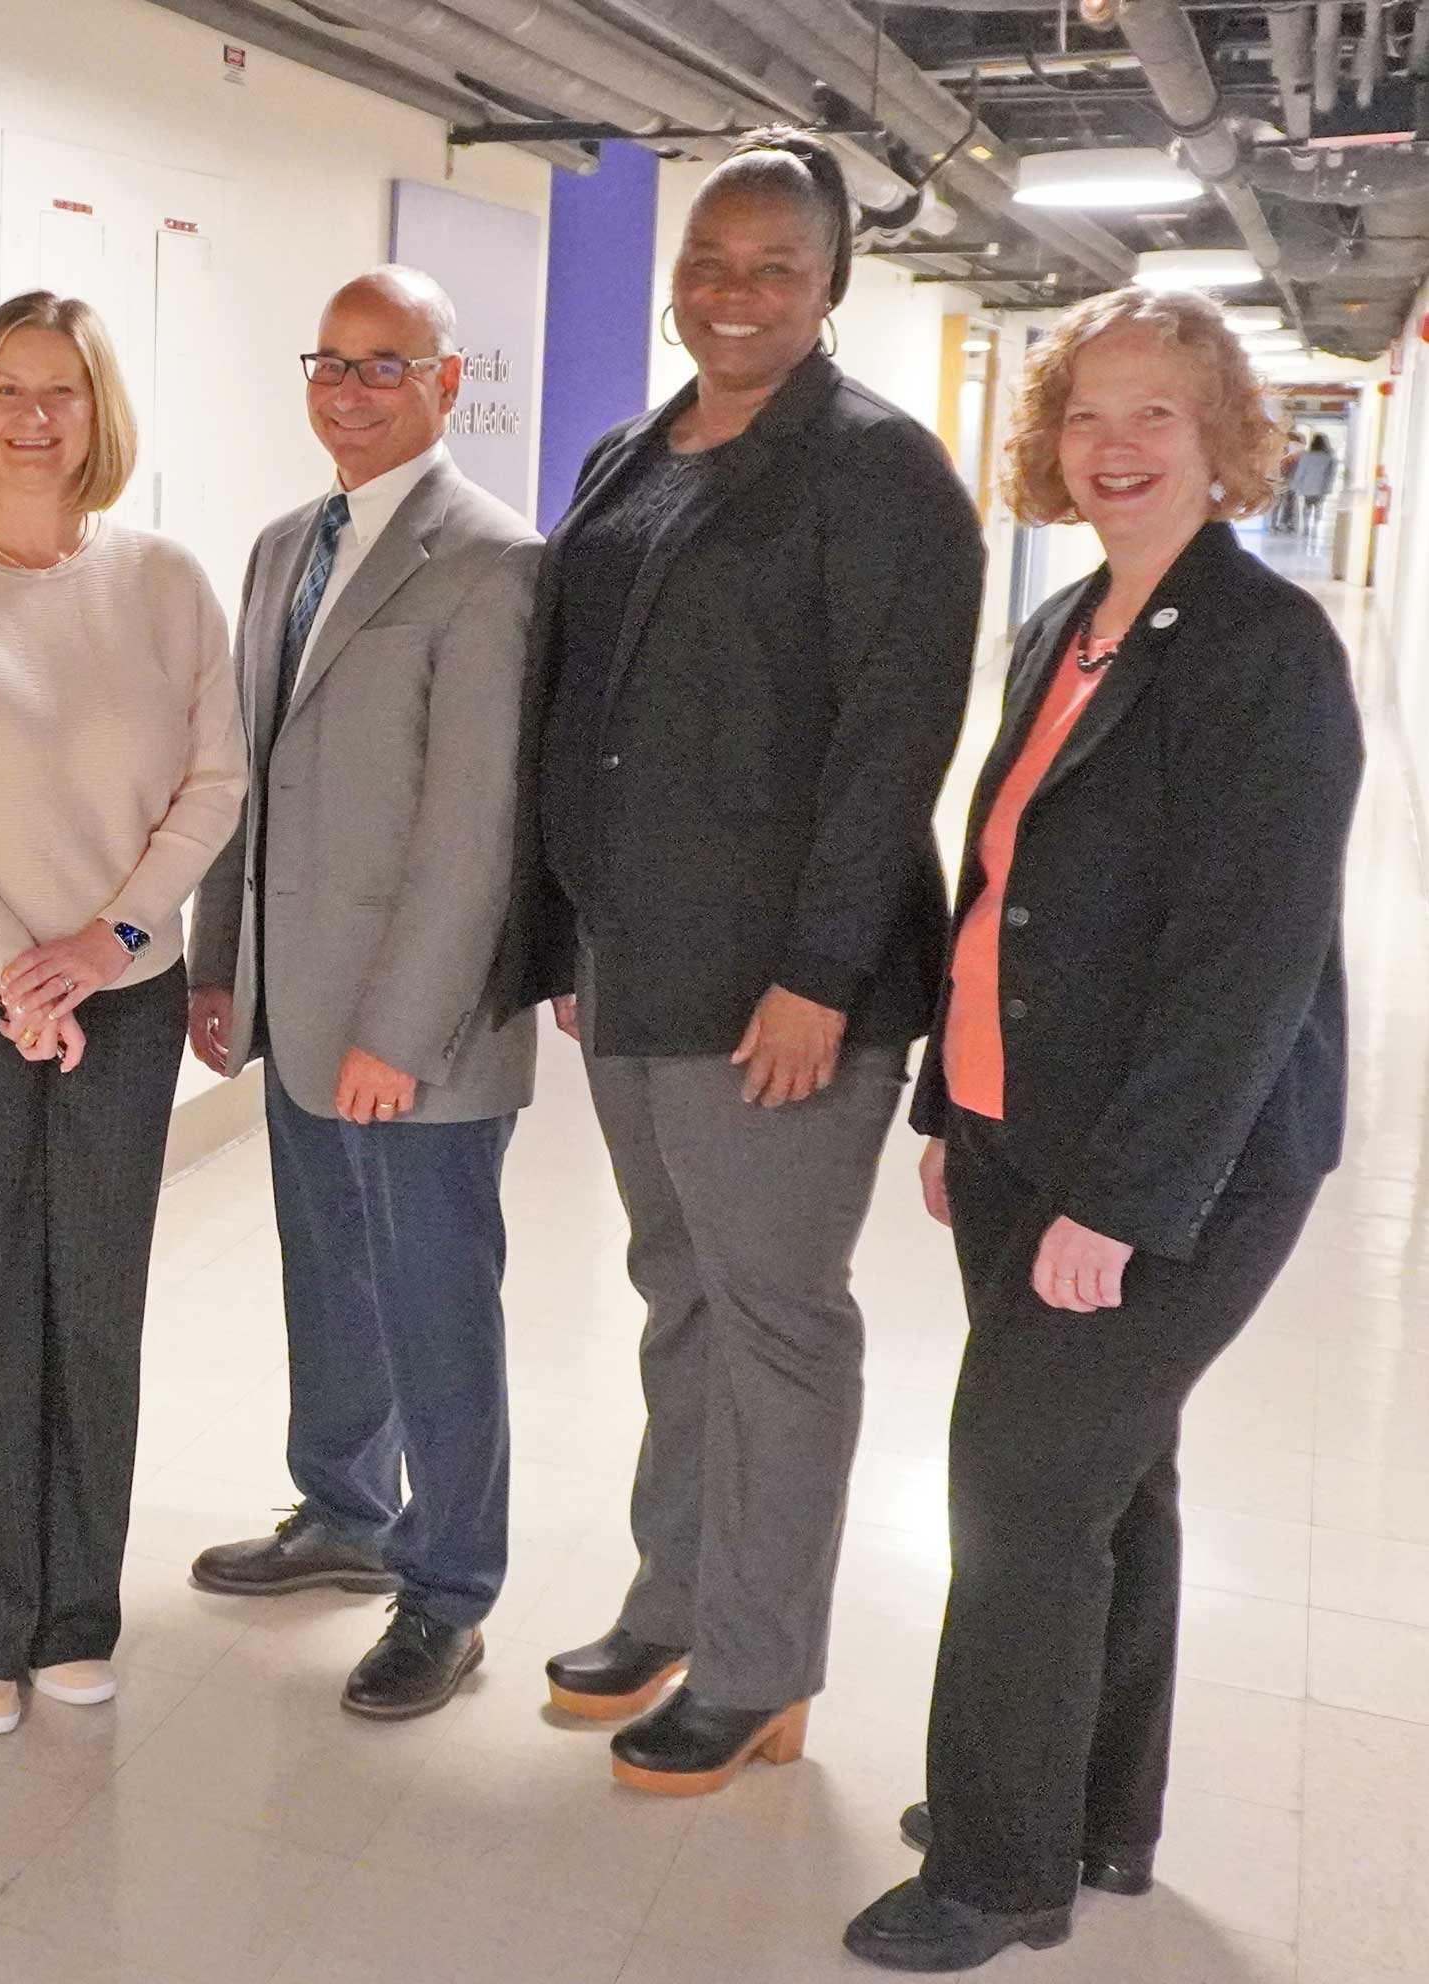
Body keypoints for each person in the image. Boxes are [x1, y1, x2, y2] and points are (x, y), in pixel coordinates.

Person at [845, 287, 1358, 1973]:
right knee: (1109, 1483)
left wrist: (1126, 1201)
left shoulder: (1266, 651)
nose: (1118, 445)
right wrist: (952, 1102)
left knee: (1020, 1486)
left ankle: (999, 1870)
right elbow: (1002, 888)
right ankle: (1091, 1805)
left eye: (1157, 414)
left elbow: (1248, 959)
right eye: (1088, 415)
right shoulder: (1061, 623)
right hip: (1019, 1128)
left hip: (1168, 1165)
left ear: (1224, 446)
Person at [502, 128, 980, 1794]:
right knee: (678, 1296)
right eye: (709, 260)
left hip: (783, 991)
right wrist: (566, 926)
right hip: (639, 967)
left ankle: (764, 1666)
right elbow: (585, 709)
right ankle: (677, 1594)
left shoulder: (880, 472)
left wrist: (821, 973)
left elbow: (888, 745)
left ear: (831, 282)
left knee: (777, 1317)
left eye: (775, 265)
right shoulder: (633, 457)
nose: (733, 291)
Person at [0, 290, 244, 1737]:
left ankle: (74, 1609)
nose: (32, 415)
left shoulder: (165, 583)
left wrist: (107, 940)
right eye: (9, 387)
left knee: (90, 1308)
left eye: (62, 391)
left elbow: (214, 780)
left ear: (98, 412)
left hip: (119, 996)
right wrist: (21, 961)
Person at [183, 266, 541, 1721]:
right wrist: (219, 962)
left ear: (447, 385)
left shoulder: (492, 562)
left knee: (437, 1309)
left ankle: (448, 1593)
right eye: (328, 362)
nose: (348, 390)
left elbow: (477, 831)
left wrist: (402, 1034)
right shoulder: (285, 547)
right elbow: (243, 781)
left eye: (383, 367)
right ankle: (342, 1510)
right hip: (292, 1007)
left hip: (419, 1035)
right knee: (327, 1279)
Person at [1290, 431, 1337, 540]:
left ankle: (1306, 527)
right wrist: (1328, 487)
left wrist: (1295, 484)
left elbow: (1300, 471)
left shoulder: (1306, 455)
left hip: (1308, 486)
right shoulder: (1328, 456)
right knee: (1318, 507)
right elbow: (1331, 474)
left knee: (1307, 506)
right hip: (1321, 487)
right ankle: (1315, 527)